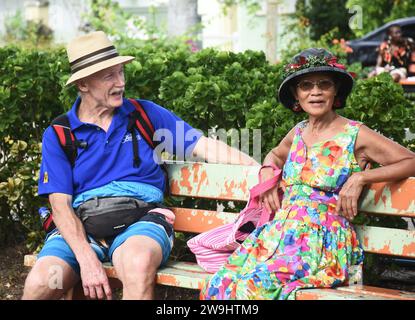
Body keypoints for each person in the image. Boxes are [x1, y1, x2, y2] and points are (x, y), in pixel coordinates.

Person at [22, 31, 258, 300]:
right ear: (83, 85)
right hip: (81, 231)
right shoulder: (60, 133)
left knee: (137, 264)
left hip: (141, 223)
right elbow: (60, 206)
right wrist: (86, 260)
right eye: (109, 76)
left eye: (121, 72)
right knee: (42, 283)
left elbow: (204, 146)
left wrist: (259, 170)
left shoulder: (144, 114)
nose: (120, 82)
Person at [200, 48, 415, 300]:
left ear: (335, 91)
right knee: (219, 284)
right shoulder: (298, 131)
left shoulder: (355, 134)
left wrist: (362, 177)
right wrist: (268, 175)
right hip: (277, 235)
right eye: (306, 85)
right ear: (296, 94)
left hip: (320, 242)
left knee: (252, 288)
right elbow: (275, 155)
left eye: (324, 84)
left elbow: (410, 160)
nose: (315, 91)